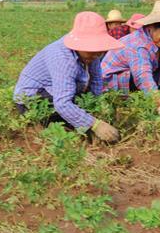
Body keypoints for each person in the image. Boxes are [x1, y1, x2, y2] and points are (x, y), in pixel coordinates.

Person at [14, 11, 123, 142]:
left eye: (99, 50)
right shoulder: (63, 58)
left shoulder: (92, 53)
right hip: (33, 98)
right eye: (93, 50)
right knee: (69, 132)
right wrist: (95, 125)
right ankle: (40, 127)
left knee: (81, 112)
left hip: (56, 92)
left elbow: (96, 82)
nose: (97, 54)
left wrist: (96, 110)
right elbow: (62, 103)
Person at [101, 0, 160, 119]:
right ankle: (143, 104)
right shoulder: (138, 45)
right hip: (111, 83)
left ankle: (147, 103)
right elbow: (142, 77)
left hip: (133, 79)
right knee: (140, 78)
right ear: (151, 27)